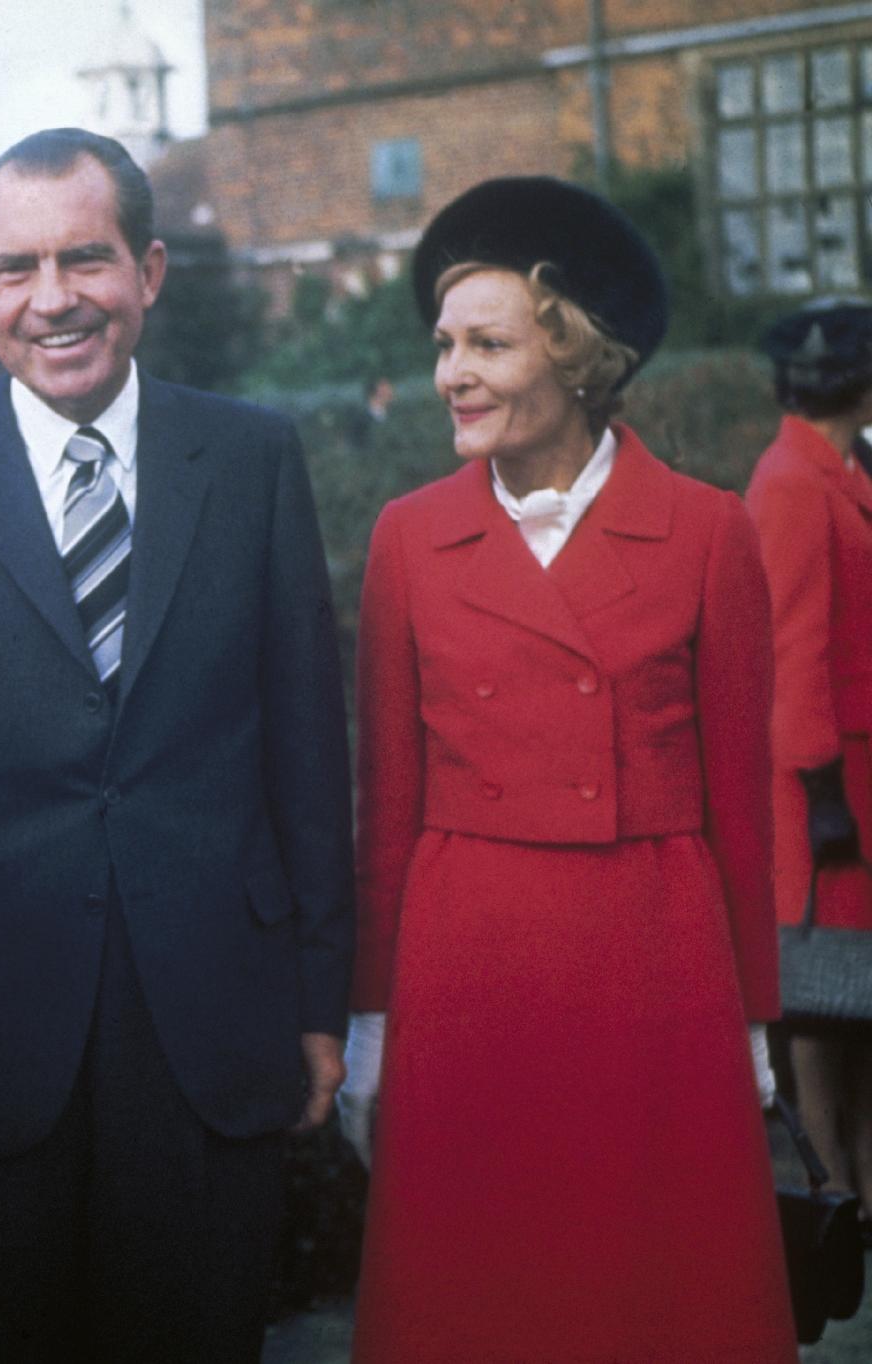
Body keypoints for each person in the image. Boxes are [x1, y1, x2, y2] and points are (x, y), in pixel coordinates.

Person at [0, 128, 354, 1363]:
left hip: (213, 1021)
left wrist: (320, 999)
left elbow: (307, 752)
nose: (53, 300)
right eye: (16, 268)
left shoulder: (254, 458)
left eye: (84, 260)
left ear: (149, 270)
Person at [342, 176, 795, 1363]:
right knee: (483, 1299)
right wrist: (372, 1016)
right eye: (444, 347)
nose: (453, 374)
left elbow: (741, 803)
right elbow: (386, 800)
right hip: (468, 965)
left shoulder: (707, 529)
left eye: (487, 344)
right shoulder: (406, 535)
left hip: (654, 955)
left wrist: (753, 1019)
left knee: (648, 1294)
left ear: (577, 355)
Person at [747, 297, 872, 1237]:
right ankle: (835, 1205)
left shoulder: (837, 471)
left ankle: (854, 1196)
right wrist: (825, 798)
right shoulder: (792, 482)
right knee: (824, 1018)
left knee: (850, 1017)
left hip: (852, 782)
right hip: (825, 794)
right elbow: (789, 655)